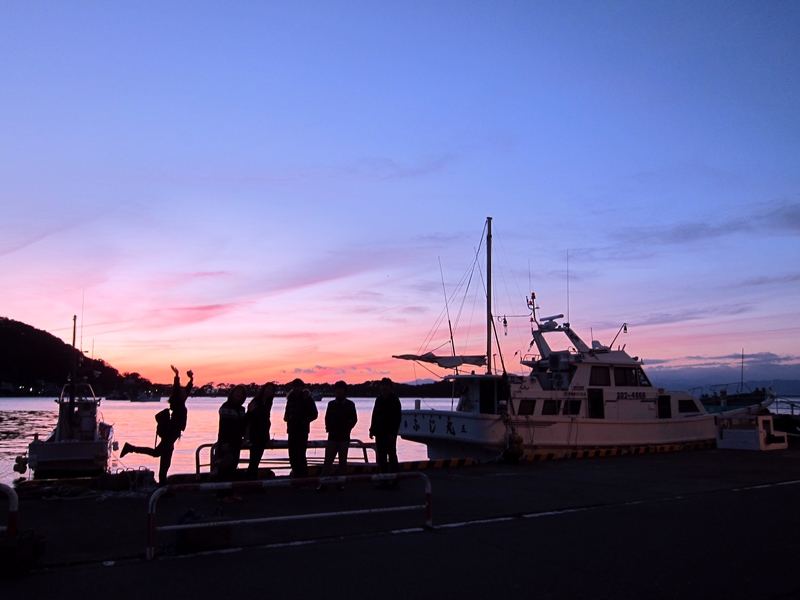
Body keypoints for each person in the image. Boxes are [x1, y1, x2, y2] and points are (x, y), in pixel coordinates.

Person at [120, 365, 193, 485]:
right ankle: (130, 448)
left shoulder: (181, 401)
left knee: (166, 459)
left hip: (173, 433)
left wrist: (191, 379)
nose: (185, 394)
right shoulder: (176, 401)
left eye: (185, 393)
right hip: (171, 432)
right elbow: (176, 390)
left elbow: (187, 390)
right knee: (157, 453)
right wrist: (177, 376)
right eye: (182, 392)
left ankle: (162, 485)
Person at [317, 381, 357, 492]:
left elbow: (354, 419)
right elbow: (327, 417)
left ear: (345, 391)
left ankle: (340, 483)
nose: (338, 391)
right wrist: (328, 428)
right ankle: (323, 483)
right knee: (327, 460)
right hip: (332, 436)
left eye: (340, 389)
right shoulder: (331, 404)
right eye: (337, 389)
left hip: (344, 437)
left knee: (342, 461)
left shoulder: (350, 405)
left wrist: (347, 428)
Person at [215, 384, 248, 502]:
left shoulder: (241, 409)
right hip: (227, 442)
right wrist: (223, 442)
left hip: (237, 442)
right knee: (224, 469)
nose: (238, 395)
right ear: (232, 393)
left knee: (232, 468)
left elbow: (243, 425)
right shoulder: (226, 407)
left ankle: (230, 493)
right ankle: (222, 495)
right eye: (237, 392)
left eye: (241, 394)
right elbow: (224, 427)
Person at [369, 377, 401, 489]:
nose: (384, 388)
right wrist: (372, 429)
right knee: (381, 457)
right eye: (382, 385)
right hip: (379, 432)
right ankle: (384, 480)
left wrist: (393, 433)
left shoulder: (394, 400)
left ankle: (395, 481)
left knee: (392, 457)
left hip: (389, 434)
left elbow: (397, 418)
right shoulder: (379, 399)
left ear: (390, 387)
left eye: (386, 386)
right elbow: (375, 415)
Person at [283, 378, 318, 478]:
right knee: (292, 456)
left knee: (301, 455)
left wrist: (304, 421)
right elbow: (287, 412)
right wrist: (286, 418)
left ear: (302, 387)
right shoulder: (290, 399)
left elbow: (314, 414)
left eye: (298, 386)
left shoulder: (307, 399)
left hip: (302, 431)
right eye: (295, 386)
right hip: (291, 430)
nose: (296, 388)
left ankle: (303, 478)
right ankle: (296, 477)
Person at [245, 382, 275, 480]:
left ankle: (252, 480)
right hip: (254, 433)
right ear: (264, 389)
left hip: (263, 434)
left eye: (271, 390)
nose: (269, 391)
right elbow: (249, 418)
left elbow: (266, 420)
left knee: (256, 459)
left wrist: (268, 437)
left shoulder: (269, 402)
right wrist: (247, 435)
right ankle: (250, 481)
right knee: (254, 459)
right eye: (268, 388)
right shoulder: (257, 400)